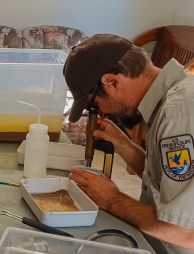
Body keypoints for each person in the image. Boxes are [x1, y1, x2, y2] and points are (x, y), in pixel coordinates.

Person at [63, 34, 194, 253]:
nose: (101, 113)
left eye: (94, 105)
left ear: (111, 82)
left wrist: (111, 199)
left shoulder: (178, 114)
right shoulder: (172, 100)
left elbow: (185, 232)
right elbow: (168, 180)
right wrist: (124, 145)